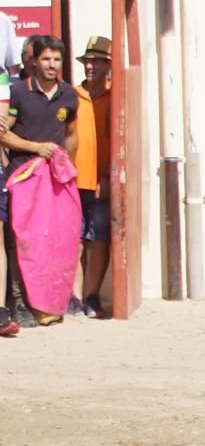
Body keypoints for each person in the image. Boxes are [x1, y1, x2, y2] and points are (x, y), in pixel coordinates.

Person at [1, 34, 79, 330]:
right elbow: (3, 133)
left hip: (55, 179)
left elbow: (71, 134)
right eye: (46, 59)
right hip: (23, 175)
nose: (52, 65)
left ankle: (50, 304)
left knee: (56, 240)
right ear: (34, 61)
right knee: (22, 241)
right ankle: (20, 304)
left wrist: (66, 165)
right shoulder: (18, 93)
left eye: (57, 60)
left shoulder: (69, 95)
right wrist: (37, 148)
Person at [71, 35, 113, 319]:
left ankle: (92, 295)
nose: (90, 66)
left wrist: (109, 175)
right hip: (73, 180)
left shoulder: (116, 95)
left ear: (108, 65)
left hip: (103, 181)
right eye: (88, 61)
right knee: (74, 241)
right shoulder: (72, 95)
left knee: (99, 240)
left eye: (96, 61)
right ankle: (73, 297)